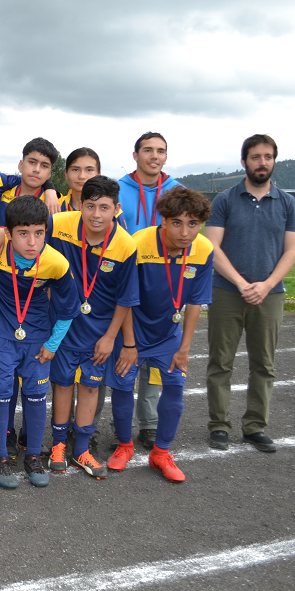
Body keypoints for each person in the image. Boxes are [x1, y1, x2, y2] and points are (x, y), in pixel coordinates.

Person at [0, 196, 79, 489]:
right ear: (9, 232)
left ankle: (33, 456)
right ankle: (1, 457)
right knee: (2, 393)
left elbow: (69, 308)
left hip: (37, 337)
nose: (32, 241)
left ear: (47, 231)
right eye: (23, 233)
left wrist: (53, 344)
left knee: (35, 394)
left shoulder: (56, 263)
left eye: (39, 233)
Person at [106, 187, 214, 481]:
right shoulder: (138, 244)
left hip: (169, 335)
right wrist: (129, 344)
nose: (185, 232)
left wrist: (185, 347)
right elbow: (125, 298)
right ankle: (125, 446)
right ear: (162, 220)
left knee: (175, 386)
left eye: (193, 223)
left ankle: (161, 452)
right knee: (123, 386)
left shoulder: (203, 249)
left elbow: (195, 303)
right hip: (134, 331)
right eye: (177, 222)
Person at [205, 135, 295, 454]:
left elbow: (292, 250)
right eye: (256, 157)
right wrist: (241, 282)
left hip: (270, 295)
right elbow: (211, 247)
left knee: (264, 364)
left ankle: (254, 426)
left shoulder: (287, 202)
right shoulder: (225, 200)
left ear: (274, 161)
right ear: (244, 161)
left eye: (268, 157)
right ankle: (219, 425)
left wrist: (266, 285)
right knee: (221, 362)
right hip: (227, 292)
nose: (262, 162)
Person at [46, 177, 138, 479]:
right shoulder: (58, 224)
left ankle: (82, 449)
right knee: (61, 385)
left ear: (117, 209)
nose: (96, 215)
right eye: (90, 206)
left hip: (98, 333)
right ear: (79, 204)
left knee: (90, 386)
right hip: (62, 327)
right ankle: (58, 444)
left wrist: (112, 337)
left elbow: (125, 298)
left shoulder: (125, 244)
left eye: (104, 207)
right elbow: (25, 231)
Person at [117, 132, 181, 451]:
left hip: (164, 286)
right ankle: (121, 427)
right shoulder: (120, 188)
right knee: (124, 360)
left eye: (160, 151)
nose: (154, 156)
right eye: (147, 150)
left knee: (157, 365)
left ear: (166, 157)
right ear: (135, 154)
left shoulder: (177, 190)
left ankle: (150, 424)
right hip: (127, 283)